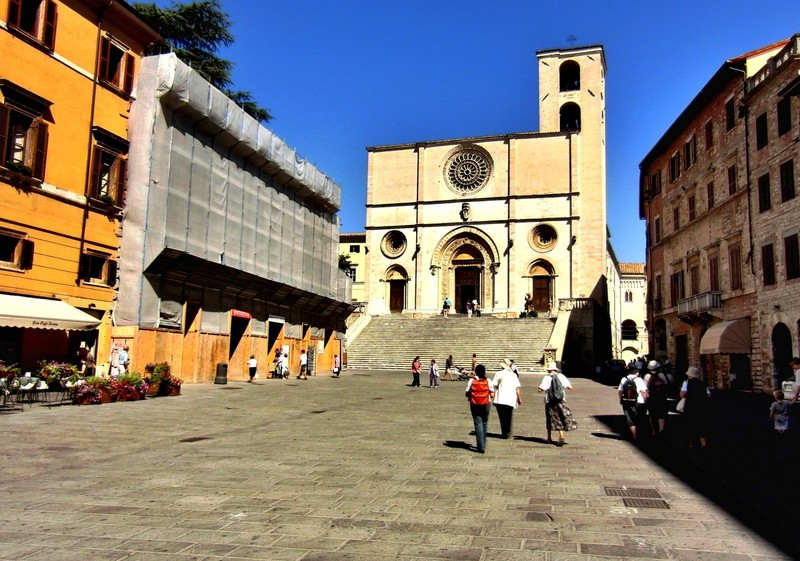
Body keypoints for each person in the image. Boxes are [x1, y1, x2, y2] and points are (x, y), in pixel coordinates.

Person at [537, 361, 576, 446]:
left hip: (550, 401)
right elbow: (570, 387)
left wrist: (542, 389)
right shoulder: (561, 376)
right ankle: (561, 436)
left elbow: (540, 389)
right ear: (555, 369)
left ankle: (549, 438)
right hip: (560, 400)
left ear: (548, 370)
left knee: (550, 419)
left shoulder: (546, 378)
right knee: (560, 417)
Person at [465, 364, 494, 453]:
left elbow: (466, 393)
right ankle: (483, 444)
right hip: (486, 403)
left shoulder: (472, 381)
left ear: (476, 372)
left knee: (478, 424)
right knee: (484, 423)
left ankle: (480, 446)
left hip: (474, 404)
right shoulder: (488, 380)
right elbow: (492, 394)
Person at [680, 366, 712, 448]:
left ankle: (691, 442)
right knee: (700, 423)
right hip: (701, 406)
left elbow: (682, 394)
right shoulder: (702, 383)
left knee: (689, 423)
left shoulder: (687, 382)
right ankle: (702, 441)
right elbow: (708, 395)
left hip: (690, 405)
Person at [492, 358, 521, 438]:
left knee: (502, 416)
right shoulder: (514, 375)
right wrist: (519, 398)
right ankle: (508, 431)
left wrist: (493, 394)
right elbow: (517, 388)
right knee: (509, 415)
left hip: (500, 398)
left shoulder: (498, 373)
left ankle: (504, 432)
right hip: (511, 398)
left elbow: (494, 385)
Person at [618, 364, 648, 442]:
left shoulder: (623, 379)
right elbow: (644, 392)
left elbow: (620, 391)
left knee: (630, 420)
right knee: (640, 418)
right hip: (639, 402)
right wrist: (646, 400)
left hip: (626, 402)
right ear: (636, 372)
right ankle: (642, 436)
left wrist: (621, 399)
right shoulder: (639, 380)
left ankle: (634, 437)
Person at [645, 360, 669, 436]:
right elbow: (666, 385)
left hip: (652, 397)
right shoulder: (661, 374)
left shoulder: (647, 376)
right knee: (661, 414)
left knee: (652, 414)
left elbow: (645, 387)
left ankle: (653, 430)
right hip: (661, 396)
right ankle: (661, 429)